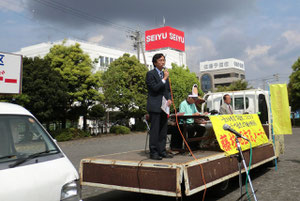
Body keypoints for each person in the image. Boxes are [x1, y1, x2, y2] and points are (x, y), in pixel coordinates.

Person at [146, 53, 173, 160]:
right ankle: (154, 152)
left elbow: (167, 90)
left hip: (164, 106)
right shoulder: (150, 74)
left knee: (163, 130)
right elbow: (155, 88)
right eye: (160, 60)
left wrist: (169, 98)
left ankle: (162, 151)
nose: (163, 62)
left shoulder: (164, 74)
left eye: (164, 60)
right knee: (155, 130)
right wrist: (164, 78)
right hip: (155, 106)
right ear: (155, 63)